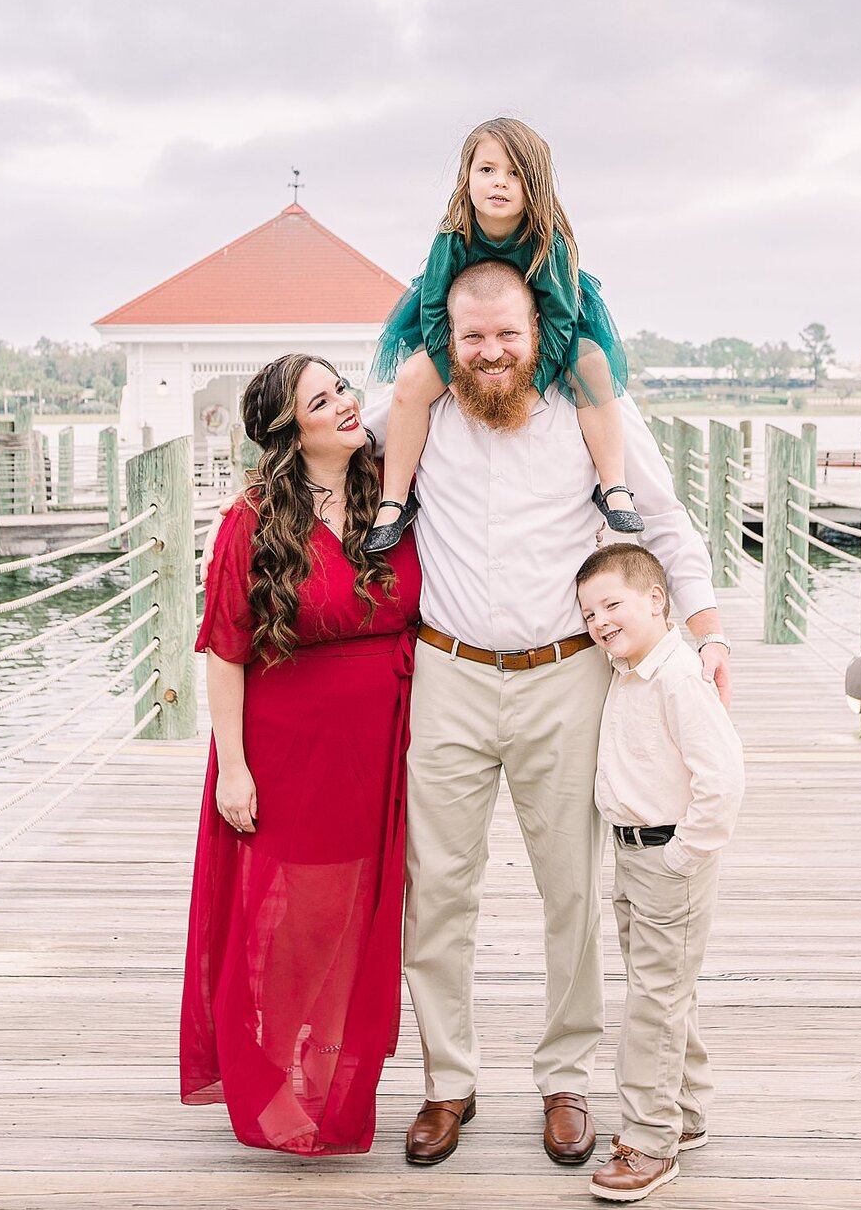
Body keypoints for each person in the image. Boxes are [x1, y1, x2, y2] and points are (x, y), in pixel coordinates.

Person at [361, 259, 731, 1169]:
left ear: (538, 333)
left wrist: (710, 630)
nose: (490, 352)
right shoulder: (415, 410)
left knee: (570, 890)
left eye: (508, 335)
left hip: (566, 678)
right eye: (471, 337)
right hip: (446, 671)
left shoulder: (587, 410)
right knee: (437, 892)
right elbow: (324, 458)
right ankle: (448, 1083)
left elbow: (666, 519)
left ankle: (565, 1077)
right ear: (448, 337)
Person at [179, 354, 422, 1156]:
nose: (350, 405)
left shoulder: (392, 487)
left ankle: (344, 1075)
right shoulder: (253, 520)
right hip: (292, 751)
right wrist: (235, 767)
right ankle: (275, 1075)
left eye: (345, 388)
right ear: (292, 428)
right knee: (300, 920)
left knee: (370, 911)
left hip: (386, 746)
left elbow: (424, 372)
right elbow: (224, 649)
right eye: (325, 400)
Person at [364, 116, 644, 554]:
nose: (500, 183)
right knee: (414, 379)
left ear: (535, 184)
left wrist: (535, 383)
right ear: (467, 177)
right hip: (466, 332)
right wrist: (454, 377)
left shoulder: (548, 242)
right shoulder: (452, 238)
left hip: (544, 333)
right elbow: (434, 313)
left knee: (592, 363)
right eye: (488, 170)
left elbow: (560, 320)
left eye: (515, 173)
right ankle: (395, 500)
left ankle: (614, 486)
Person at [577, 545, 744, 1203]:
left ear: (656, 599)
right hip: (634, 852)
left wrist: (680, 856)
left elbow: (723, 779)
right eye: (590, 613)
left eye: (612, 604)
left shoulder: (677, 676)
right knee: (669, 987)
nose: (599, 622)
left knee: (654, 998)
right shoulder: (630, 668)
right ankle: (687, 1109)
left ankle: (650, 1141)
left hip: (669, 856)